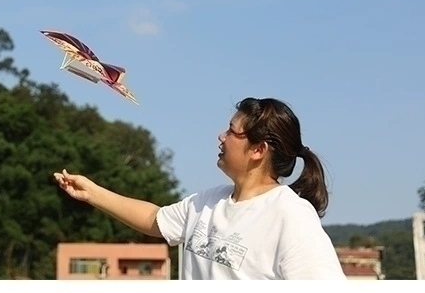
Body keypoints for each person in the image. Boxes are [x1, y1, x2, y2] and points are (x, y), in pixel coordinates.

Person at [53, 97, 346, 279]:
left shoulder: (291, 216)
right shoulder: (208, 201)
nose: (221, 136)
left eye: (232, 131)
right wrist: (92, 193)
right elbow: (154, 219)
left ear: (258, 150)